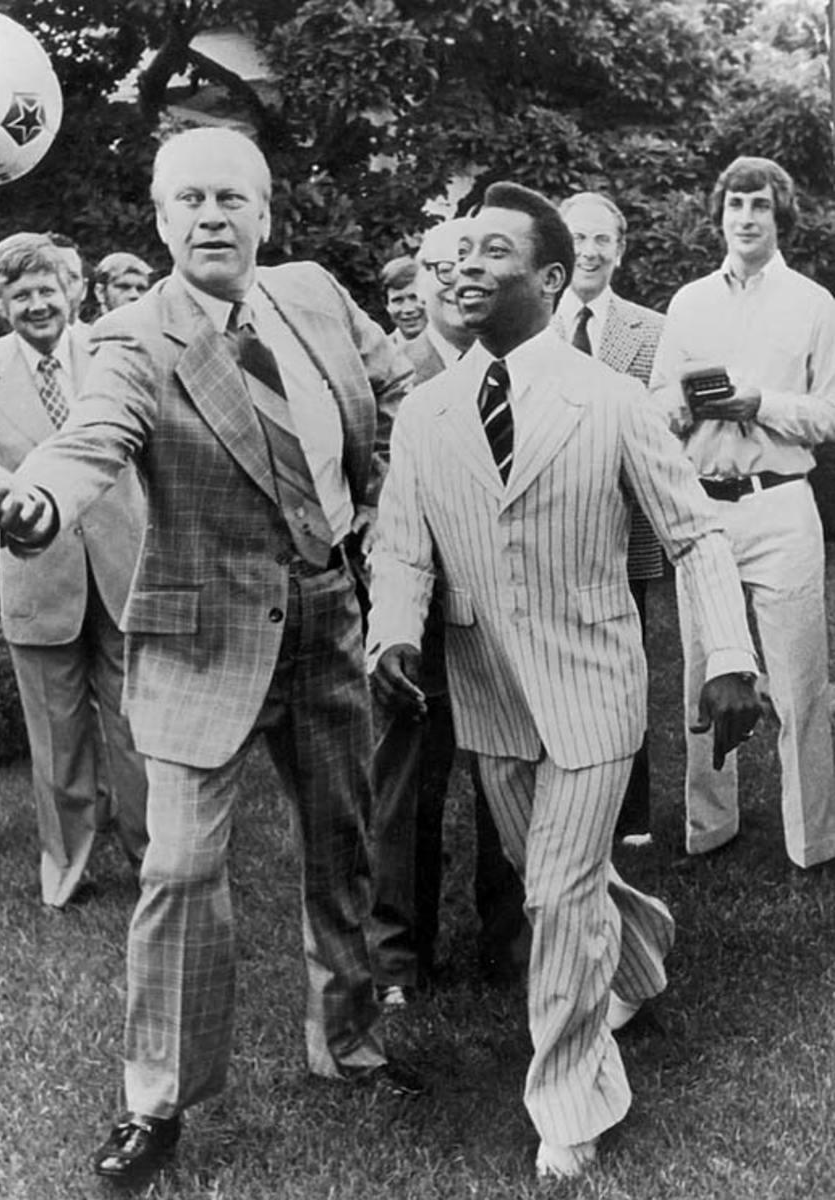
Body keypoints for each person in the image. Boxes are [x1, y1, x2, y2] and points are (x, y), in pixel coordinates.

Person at [0, 127, 417, 1188]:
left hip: (325, 614)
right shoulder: (131, 338)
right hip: (199, 633)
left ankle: (346, 1042)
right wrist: (35, 505)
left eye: (229, 198)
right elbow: (92, 440)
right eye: (188, 201)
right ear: (160, 222)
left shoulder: (314, 296)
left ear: (265, 214)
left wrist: (407, 484)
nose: (211, 217)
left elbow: (397, 397)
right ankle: (154, 1102)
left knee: (342, 846)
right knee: (177, 868)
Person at [367, 182, 761, 1178]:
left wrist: (724, 658)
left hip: (592, 687)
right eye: (451, 251)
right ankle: (639, 950)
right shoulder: (424, 412)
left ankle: (568, 1100)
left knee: (548, 893)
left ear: (545, 278)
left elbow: (692, 534)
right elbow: (403, 551)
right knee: (571, 886)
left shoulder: (613, 401)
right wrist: (389, 640)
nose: (457, 266)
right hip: (488, 692)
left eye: (487, 251)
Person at [0, 233, 148, 909]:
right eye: (21, 293)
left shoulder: (114, 354)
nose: (37, 304)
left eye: (47, 289)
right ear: (0, 303)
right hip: (38, 574)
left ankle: (154, 859)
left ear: (75, 291)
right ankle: (66, 870)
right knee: (56, 739)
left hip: (125, 567)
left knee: (136, 729)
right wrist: (1, 505)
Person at [651, 156, 835, 870]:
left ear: (778, 214)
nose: (746, 218)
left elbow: (827, 412)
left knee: (797, 682)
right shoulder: (689, 302)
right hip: (705, 509)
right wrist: (676, 407)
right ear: (719, 214)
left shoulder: (814, 304)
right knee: (702, 670)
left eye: (759, 205)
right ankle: (709, 826)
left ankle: (811, 840)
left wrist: (760, 404)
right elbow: (659, 399)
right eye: (734, 205)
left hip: (781, 504)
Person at [368, 217, 524, 1005]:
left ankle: (510, 938)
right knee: (406, 787)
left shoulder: (523, 362)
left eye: (475, 261)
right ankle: (399, 955)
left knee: (511, 774)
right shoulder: (389, 374)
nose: (458, 277)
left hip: (508, 612)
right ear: (417, 281)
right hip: (416, 613)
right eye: (439, 265)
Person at [556, 191, 666, 846]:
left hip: (625, 530)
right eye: (577, 238)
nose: (589, 252)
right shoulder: (528, 323)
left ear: (619, 251)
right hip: (549, 528)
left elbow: (654, 435)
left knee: (625, 666)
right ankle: (564, 799)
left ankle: (628, 816)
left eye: (602, 240)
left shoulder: (650, 332)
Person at [380, 255, 426, 345]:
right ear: (387, 306)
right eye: (398, 300)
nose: (408, 309)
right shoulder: (379, 353)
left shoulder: (455, 346)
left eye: (414, 298)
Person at [45, 232, 87, 323]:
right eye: (52, 277)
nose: (63, 286)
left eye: (71, 278)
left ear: (84, 289)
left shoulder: (96, 336)